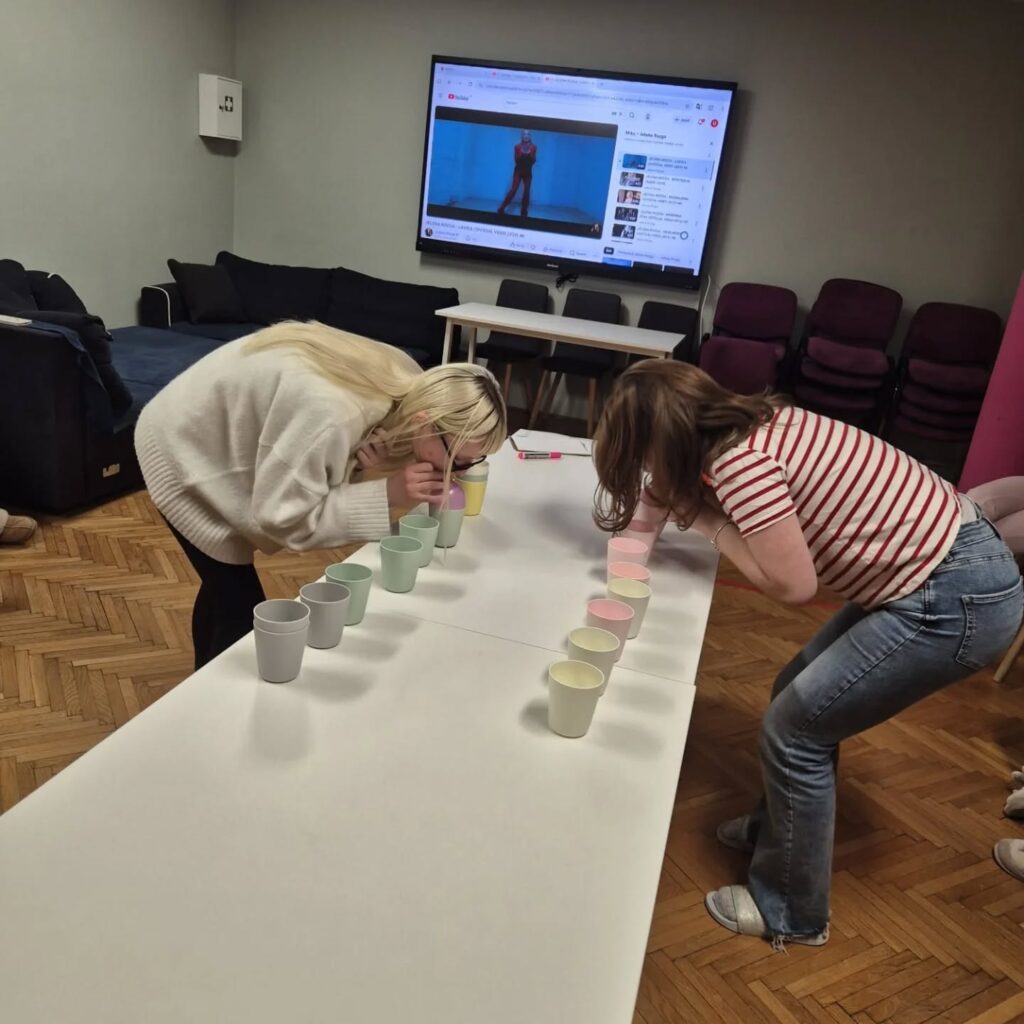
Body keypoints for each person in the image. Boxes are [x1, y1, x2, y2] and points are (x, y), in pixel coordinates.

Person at [592, 360, 1023, 948]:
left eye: (644, 456)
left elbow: (793, 586)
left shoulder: (740, 466)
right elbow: (653, 503)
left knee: (796, 731)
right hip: (946, 565)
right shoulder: (754, 422)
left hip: (954, 597)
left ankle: (792, 913)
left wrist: (711, 525)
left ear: (662, 443)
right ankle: (779, 834)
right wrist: (634, 551)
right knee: (794, 694)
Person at [136, 321, 507, 671]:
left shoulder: (410, 383)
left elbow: (321, 466)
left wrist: (365, 469)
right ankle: (213, 705)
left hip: (221, 431)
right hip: (182, 450)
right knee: (241, 615)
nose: (456, 473)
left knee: (225, 594)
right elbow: (285, 519)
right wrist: (388, 492)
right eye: (457, 461)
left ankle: (205, 675)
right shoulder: (333, 415)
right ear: (425, 422)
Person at [497, 129, 537, 218]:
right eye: (524, 134)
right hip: (518, 171)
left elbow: (534, 161)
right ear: (522, 136)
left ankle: (524, 210)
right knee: (513, 190)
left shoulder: (534, 147)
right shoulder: (517, 147)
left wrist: (529, 154)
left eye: (528, 134)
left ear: (530, 136)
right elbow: (516, 160)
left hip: (528, 173)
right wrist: (524, 153)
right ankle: (502, 208)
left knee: (527, 191)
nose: (526, 136)